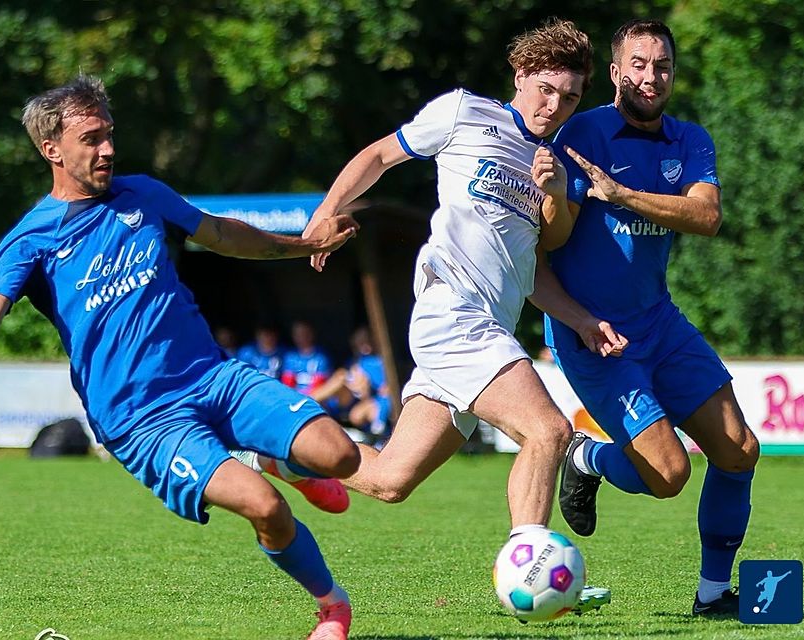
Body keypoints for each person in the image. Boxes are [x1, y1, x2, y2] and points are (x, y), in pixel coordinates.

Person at [0, 75, 362, 640]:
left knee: (339, 454)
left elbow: (222, 235)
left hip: (214, 377)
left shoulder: (144, 195)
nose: (107, 148)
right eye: (91, 138)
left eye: (109, 134)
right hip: (141, 420)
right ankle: (331, 605)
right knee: (266, 509)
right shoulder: (31, 239)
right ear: (52, 149)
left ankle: (285, 460)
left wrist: (304, 244)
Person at [301, 19, 625, 613]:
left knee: (389, 482)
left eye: (571, 97)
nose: (556, 106)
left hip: (487, 330)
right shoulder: (464, 112)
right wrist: (327, 211)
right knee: (549, 431)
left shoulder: (553, 161)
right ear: (521, 76)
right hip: (453, 315)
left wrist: (579, 317)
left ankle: (276, 447)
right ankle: (534, 579)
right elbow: (379, 154)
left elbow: (538, 263)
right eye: (546, 89)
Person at [533, 19, 760, 617]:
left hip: (659, 322)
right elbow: (548, 244)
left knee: (739, 449)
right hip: (596, 336)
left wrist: (623, 195)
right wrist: (559, 194)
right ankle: (588, 458)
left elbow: (706, 217)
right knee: (667, 474)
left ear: (672, 74)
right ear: (615, 73)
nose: (650, 76)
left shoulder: (689, 140)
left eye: (661, 65)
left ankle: (715, 594)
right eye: (637, 64)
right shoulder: (582, 132)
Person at [281, 320, 333, 396]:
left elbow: (319, 384)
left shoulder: (321, 357)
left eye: (305, 333)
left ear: (312, 334)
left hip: (316, 397)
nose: (302, 337)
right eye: (298, 334)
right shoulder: (290, 356)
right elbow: (288, 384)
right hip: (294, 398)